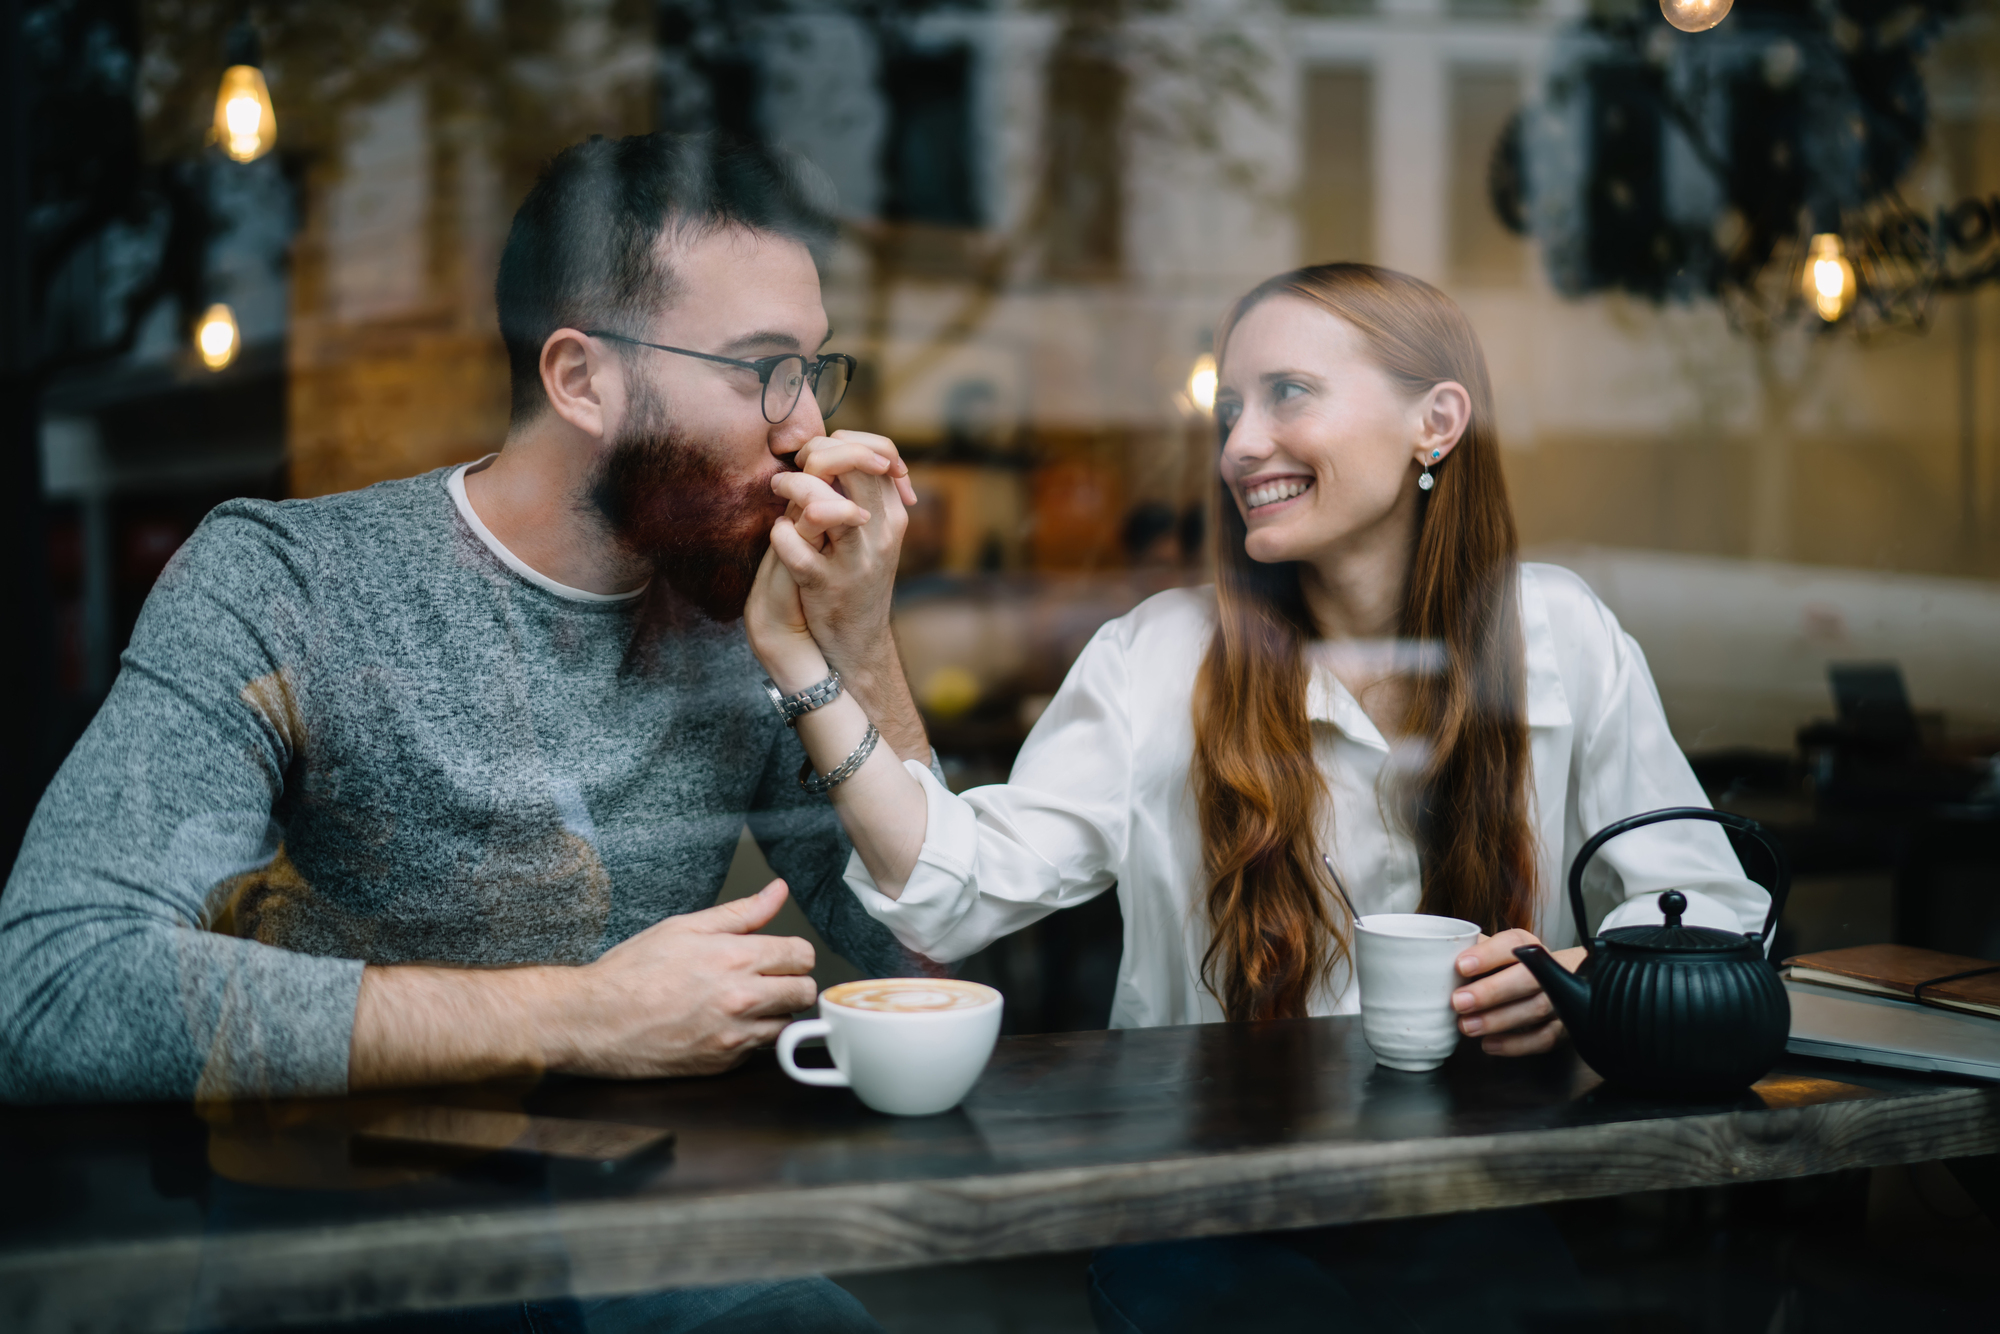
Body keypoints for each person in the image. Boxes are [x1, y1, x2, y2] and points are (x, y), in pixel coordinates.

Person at [0, 131, 929, 1333]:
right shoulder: (287, 583)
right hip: (356, 1257)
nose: (805, 427)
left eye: (813, 369)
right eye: (760, 369)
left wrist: (855, 644)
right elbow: (51, 986)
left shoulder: (743, 611)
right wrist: (580, 1013)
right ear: (581, 379)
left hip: (647, 1242)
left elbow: (923, 954)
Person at [745, 261, 1771, 1331]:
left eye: (1287, 394)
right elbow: (948, 885)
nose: (1237, 445)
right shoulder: (1157, 655)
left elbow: (1711, 912)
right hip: (1199, 1213)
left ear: (1437, 419)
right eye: (1229, 408)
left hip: (1471, 1196)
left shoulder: (1556, 634)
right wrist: (808, 655)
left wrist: (1589, 978)